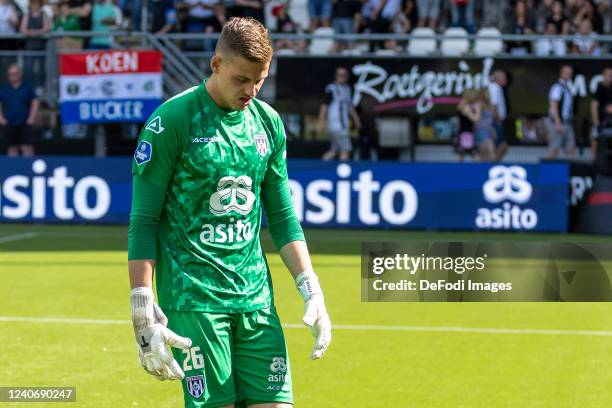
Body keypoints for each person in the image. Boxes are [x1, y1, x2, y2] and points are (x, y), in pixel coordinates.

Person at [128, 17, 332, 408]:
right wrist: (141, 303)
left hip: (256, 300)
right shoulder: (172, 121)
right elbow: (143, 221)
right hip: (195, 302)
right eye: (241, 79)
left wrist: (311, 287)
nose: (251, 91)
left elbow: (283, 215)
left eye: (259, 80)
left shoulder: (268, 123)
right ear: (216, 65)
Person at [318, 66, 361, 161]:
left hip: (343, 125)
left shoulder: (347, 88)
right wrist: (321, 121)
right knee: (345, 150)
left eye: (344, 75)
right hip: (337, 125)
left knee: (334, 150)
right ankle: (343, 173)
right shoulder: (332, 89)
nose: (341, 77)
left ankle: (321, 167)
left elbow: (350, 106)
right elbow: (324, 106)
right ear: (336, 76)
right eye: (339, 75)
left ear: (347, 76)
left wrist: (356, 119)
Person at [0, 64, 39, 156]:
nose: (12, 76)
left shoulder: (27, 88)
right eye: (10, 74)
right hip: (9, 122)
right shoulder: (4, 89)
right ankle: (13, 169)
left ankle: (28, 169)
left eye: (15, 74)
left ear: (20, 74)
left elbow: (35, 102)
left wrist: (32, 118)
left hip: (25, 122)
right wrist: (1, 118)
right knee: (11, 147)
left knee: (27, 147)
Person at [546, 65, 576, 158]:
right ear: (561, 73)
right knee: (554, 149)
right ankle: (546, 170)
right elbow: (554, 106)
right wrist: (557, 122)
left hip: (566, 122)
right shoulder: (557, 87)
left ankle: (567, 171)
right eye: (566, 72)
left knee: (570, 149)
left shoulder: (568, 88)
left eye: (570, 72)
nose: (568, 74)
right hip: (557, 123)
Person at [459, 88, 496, 161]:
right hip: (466, 134)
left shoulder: (467, 106)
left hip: (469, 133)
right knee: (470, 155)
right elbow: (476, 119)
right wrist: (478, 110)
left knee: (471, 154)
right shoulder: (466, 107)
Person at [19, 0, 51, 84]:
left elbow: (47, 28)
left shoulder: (43, 14)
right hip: (29, 46)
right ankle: (29, 87)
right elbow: (22, 29)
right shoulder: (27, 15)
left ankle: (41, 87)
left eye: (37, 4)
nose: (35, 6)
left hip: (41, 46)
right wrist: (36, 32)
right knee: (28, 68)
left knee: (41, 69)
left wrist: (34, 32)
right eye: (33, 4)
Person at [591, 67, 612, 156]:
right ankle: (595, 160)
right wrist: (596, 122)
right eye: (608, 75)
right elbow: (594, 106)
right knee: (595, 138)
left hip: (610, 122)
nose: (610, 77)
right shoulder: (599, 87)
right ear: (603, 76)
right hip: (601, 121)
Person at [488, 70, 508, 161]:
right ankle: (493, 163)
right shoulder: (494, 88)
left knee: (499, 146)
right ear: (498, 78)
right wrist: (497, 119)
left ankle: (494, 162)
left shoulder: (497, 88)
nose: (506, 80)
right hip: (495, 121)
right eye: (504, 77)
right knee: (501, 145)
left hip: (496, 120)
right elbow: (493, 105)